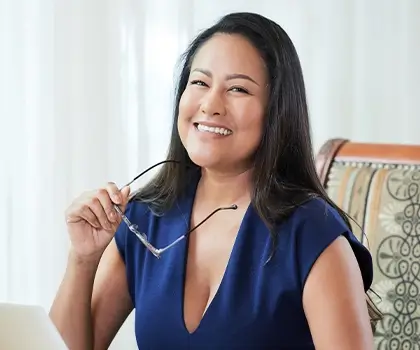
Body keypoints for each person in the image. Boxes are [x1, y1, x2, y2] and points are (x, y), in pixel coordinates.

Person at [49, 12, 375, 350]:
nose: (211, 105)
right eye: (200, 82)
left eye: (238, 89)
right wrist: (83, 260)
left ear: (277, 111)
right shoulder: (145, 220)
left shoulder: (313, 233)